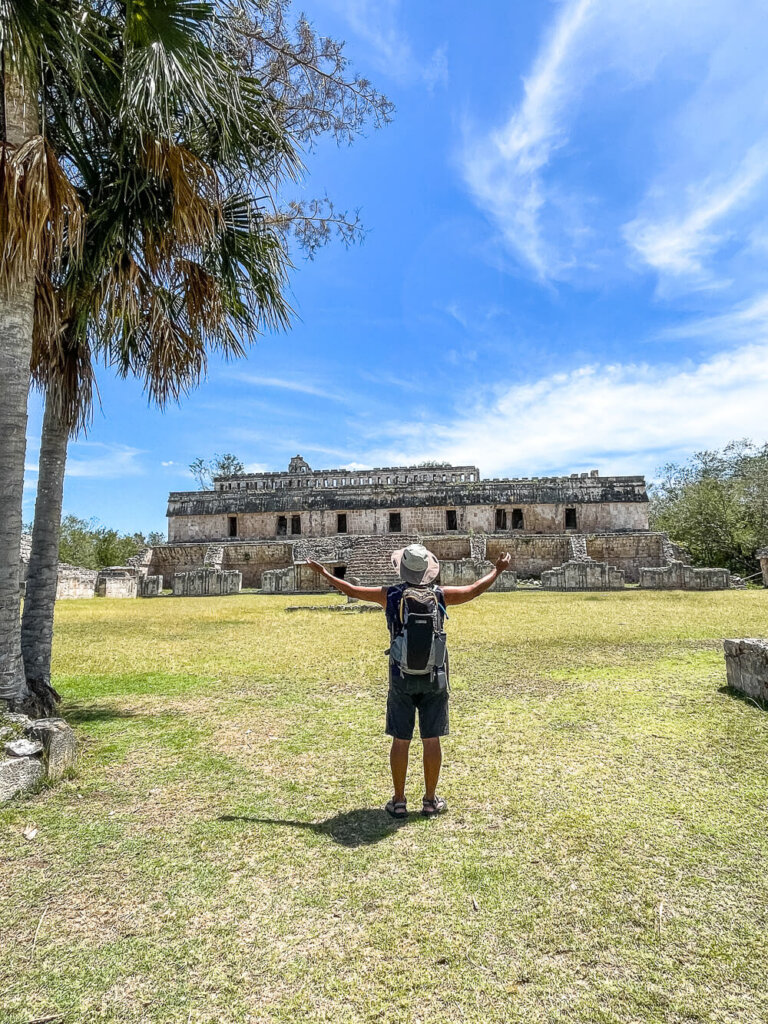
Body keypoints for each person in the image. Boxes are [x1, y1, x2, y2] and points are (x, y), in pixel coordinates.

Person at [307, 544, 512, 819]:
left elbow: (350, 590)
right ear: (428, 571)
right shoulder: (440, 595)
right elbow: (474, 589)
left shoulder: (390, 595)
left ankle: (399, 800)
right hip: (434, 676)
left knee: (401, 740)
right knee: (431, 738)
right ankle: (429, 800)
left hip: (400, 676)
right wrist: (497, 570)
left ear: (402, 569)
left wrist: (324, 573)